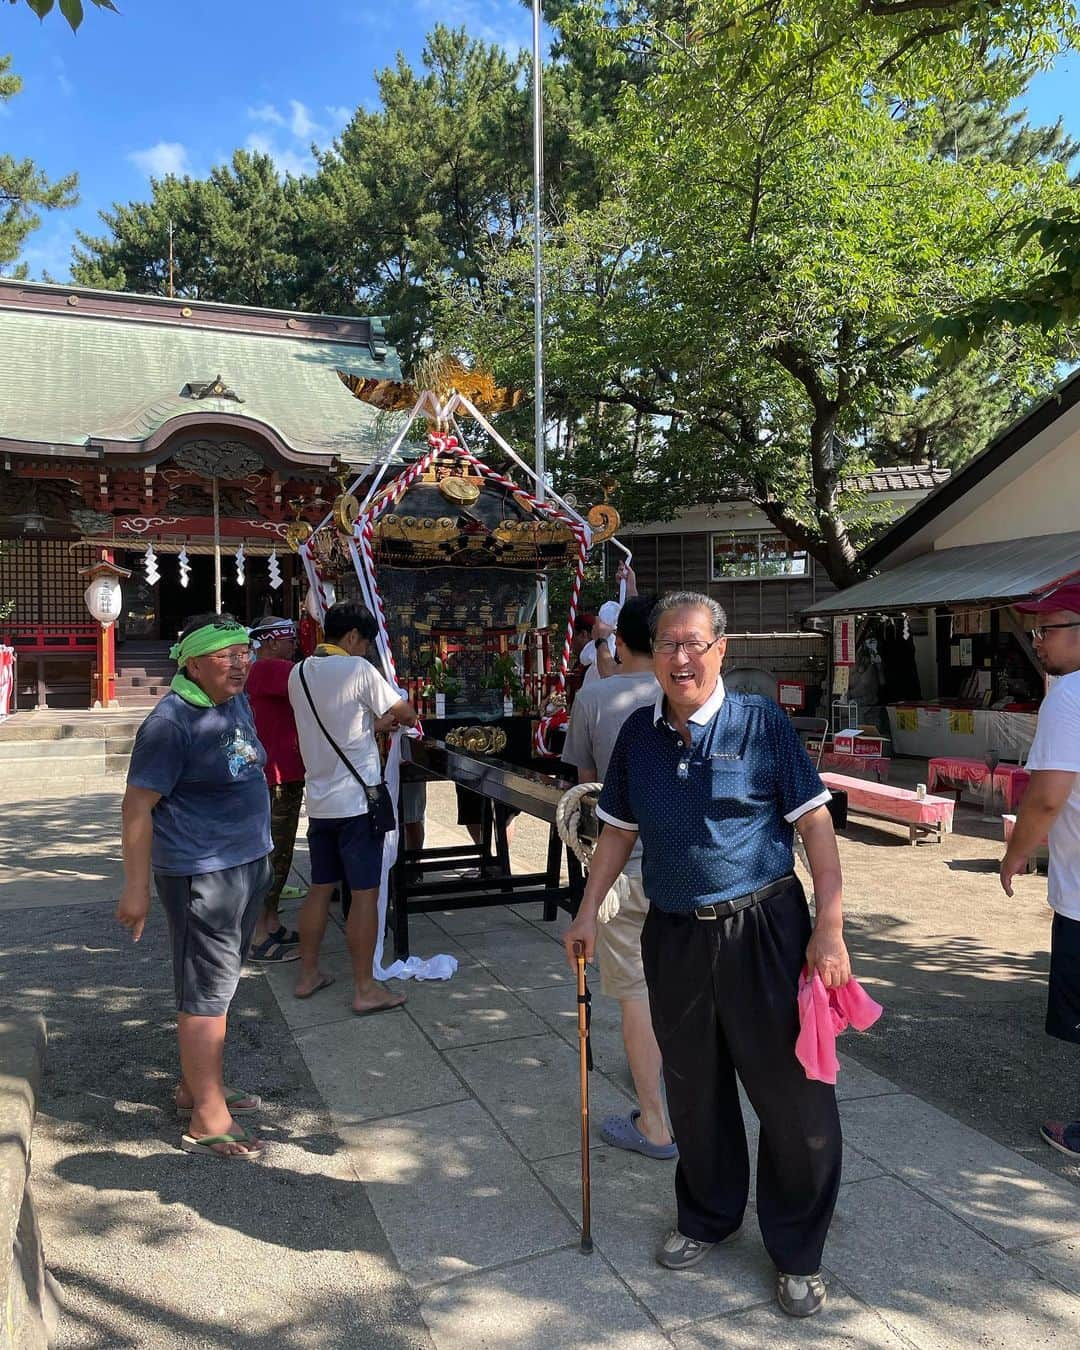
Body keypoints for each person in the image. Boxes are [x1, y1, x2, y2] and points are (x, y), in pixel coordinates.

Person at [563, 591, 850, 1319]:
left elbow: (814, 826)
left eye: (694, 643)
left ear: (721, 649)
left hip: (766, 931)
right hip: (676, 933)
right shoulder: (637, 735)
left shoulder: (760, 723)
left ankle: (797, 1251)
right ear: (650, 652)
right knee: (693, 1089)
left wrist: (830, 927)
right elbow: (618, 833)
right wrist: (588, 909)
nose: (680, 657)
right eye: (667, 643)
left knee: (792, 1096)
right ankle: (709, 1216)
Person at [116, 613, 272, 1159]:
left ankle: (195, 1087)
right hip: (202, 869)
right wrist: (135, 889)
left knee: (221, 981)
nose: (240, 663)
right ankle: (208, 1117)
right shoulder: (170, 722)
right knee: (205, 987)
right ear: (193, 662)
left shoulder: (232, 700)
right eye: (226, 655)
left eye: (244, 652)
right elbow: (137, 808)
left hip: (247, 859)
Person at [561, 596, 675, 1159]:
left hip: (622, 866)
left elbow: (586, 788)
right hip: (683, 865)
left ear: (620, 643)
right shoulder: (687, 692)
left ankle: (654, 1120)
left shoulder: (594, 696)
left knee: (636, 993)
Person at [288, 600, 419, 1014]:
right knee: (365, 894)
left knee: (320, 886)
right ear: (351, 637)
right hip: (358, 801)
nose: (365, 651)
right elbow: (407, 713)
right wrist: (395, 711)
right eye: (364, 643)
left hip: (321, 800)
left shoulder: (299, 673)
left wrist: (370, 726)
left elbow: (332, 724)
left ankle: (308, 974)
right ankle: (364, 987)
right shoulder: (359, 670)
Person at [1000, 584, 1080, 1159]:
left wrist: (1015, 850)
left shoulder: (1069, 696)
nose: (1038, 642)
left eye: (1048, 629)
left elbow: (1048, 796)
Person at [245, 618, 305, 962]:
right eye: (288, 639)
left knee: (280, 855)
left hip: (284, 770)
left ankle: (271, 921)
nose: (293, 644)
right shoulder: (271, 668)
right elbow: (311, 686)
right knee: (271, 854)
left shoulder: (268, 668)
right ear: (269, 642)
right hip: (274, 775)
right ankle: (256, 934)